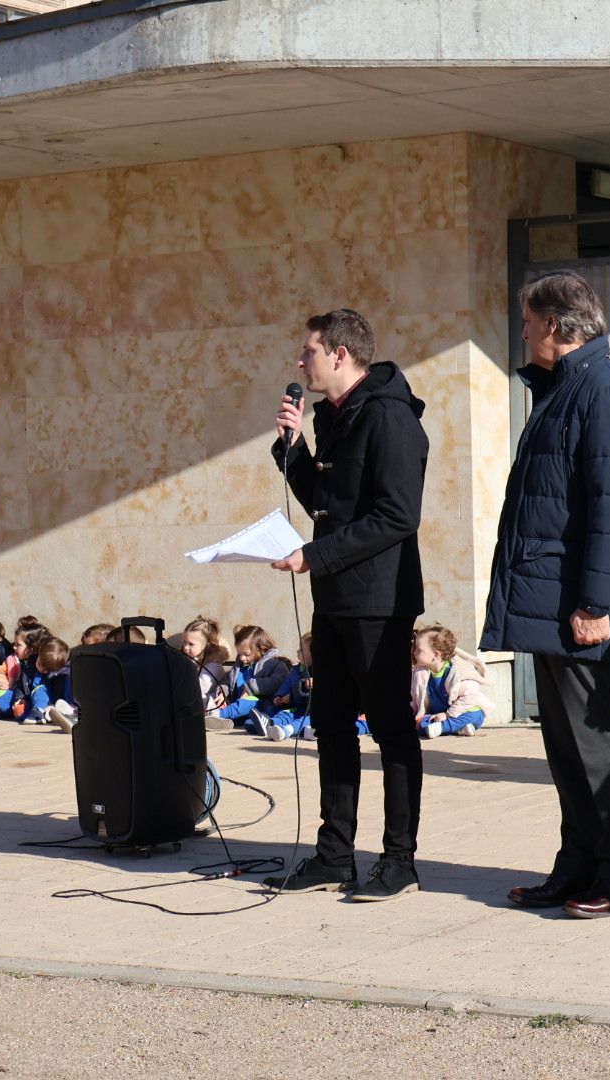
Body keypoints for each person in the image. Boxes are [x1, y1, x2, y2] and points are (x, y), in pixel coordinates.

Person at [482, 269, 610, 921]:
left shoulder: (605, 391)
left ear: (554, 325)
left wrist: (596, 604)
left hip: (578, 608)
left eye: (528, 322)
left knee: (596, 740)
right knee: (565, 747)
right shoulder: (565, 388)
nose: (522, 333)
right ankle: (577, 865)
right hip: (549, 601)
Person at [264, 307, 430, 904]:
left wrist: (315, 557)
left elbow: (395, 517)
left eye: (308, 351)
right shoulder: (335, 417)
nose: (300, 362)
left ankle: (399, 859)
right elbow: (325, 504)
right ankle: (334, 855)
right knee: (331, 723)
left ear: (340, 354)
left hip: (379, 603)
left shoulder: (388, 418)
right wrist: (293, 450)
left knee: (390, 728)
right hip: (334, 599)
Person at [411, 624, 491, 739]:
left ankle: (442, 728)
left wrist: (447, 714)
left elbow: (470, 696)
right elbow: (414, 698)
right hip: (437, 715)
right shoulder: (420, 673)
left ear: (436, 655)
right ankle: (459, 729)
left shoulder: (458, 672)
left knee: (476, 715)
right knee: (420, 723)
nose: (414, 653)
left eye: (419, 650)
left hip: (460, 712)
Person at [220, 625, 294, 735]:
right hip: (239, 708)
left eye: (246, 654)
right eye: (239, 654)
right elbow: (228, 681)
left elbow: (278, 682)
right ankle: (222, 720)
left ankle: (218, 715)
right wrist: (223, 692)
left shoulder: (275, 664)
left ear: (262, 649)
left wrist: (251, 687)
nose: (242, 658)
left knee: (251, 701)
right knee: (243, 715)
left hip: (262, 707)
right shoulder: (239, 667)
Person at [262, 632, 315, 743]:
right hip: (297, 708)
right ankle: (268, 724)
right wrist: (280, 696)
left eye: (301, 650)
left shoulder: (321, 672)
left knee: (308, 719)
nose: (297, 651)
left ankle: (286, 731)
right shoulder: (296, 670)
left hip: (313, 713)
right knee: (285, 714)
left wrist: (295, 695)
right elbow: (286, 685)